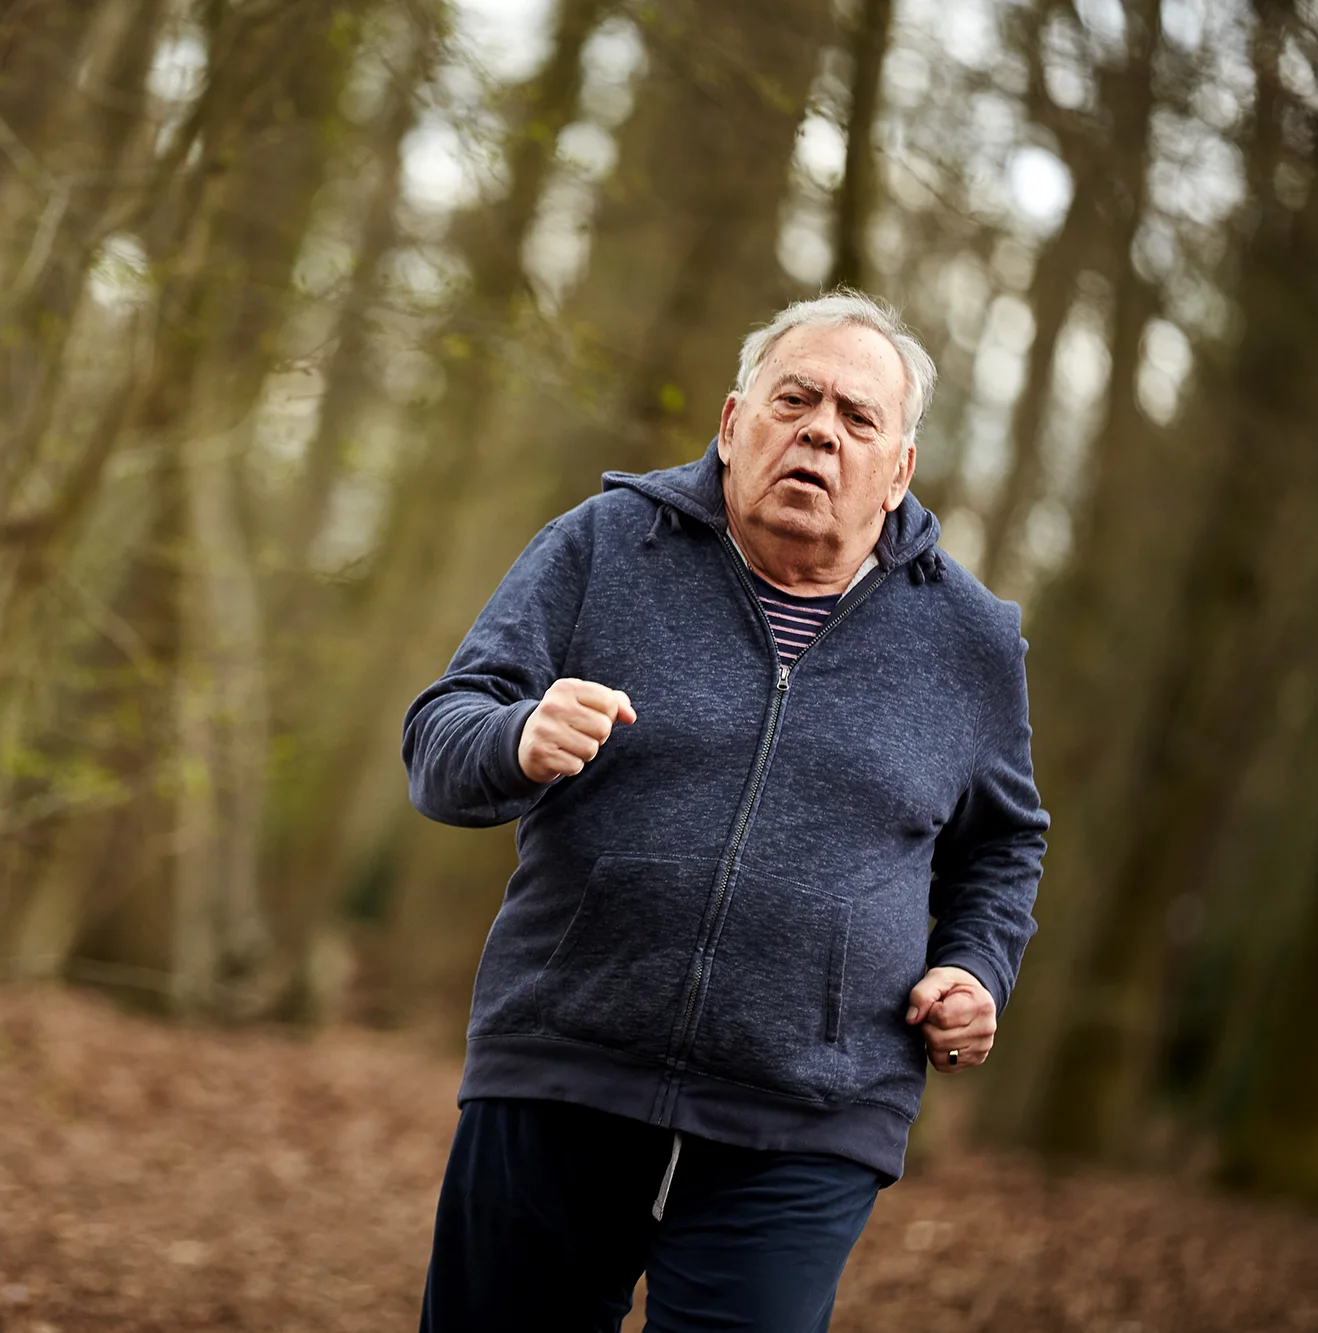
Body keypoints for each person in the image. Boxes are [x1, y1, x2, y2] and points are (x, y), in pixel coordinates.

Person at [401, 290, 1048, 1332]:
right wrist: (515, 739)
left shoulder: (968, 640)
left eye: (855, 417)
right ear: (731, 421)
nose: (818, 432)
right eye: (794, 399)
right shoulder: (604, 545)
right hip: (563, 1068)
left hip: (808, 1115)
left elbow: (1004, 843)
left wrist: (974, 967)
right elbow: (440, 736)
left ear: (897, 472)